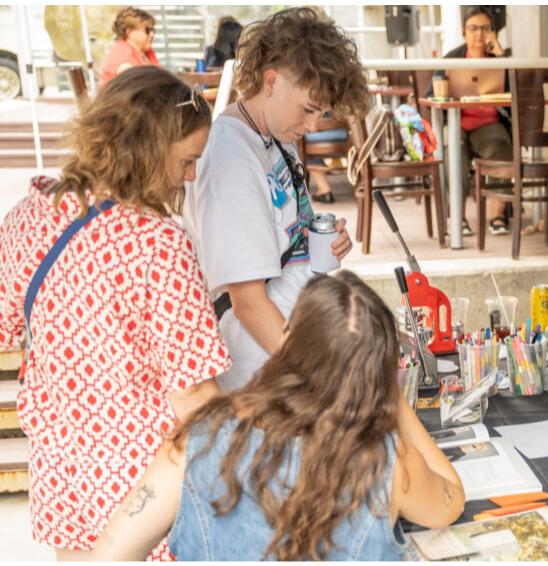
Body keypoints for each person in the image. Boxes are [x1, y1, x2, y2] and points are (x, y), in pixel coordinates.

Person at [0, 67, 229, 560]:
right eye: (187, 161)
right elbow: (195, 396)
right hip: (143, 489)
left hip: (63, 471)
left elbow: (6, 326)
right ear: (149, 148)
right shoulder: (158, 244)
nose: (190, 176)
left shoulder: (28, 215)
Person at [89, 272, 465, 560]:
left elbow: (109, 554)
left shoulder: (200, 437)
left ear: (289, 341)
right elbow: (452, 500)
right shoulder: (386, 461)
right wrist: (393, 397)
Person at [183, 7, 365, 392]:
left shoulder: (275, 137)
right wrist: (317, 379)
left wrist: (321, 244)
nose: (313, 126)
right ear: (271, 80)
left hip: (288, 342)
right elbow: (247, 302)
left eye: (324, 112)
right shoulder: (230, 159)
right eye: (309, 109)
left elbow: (283, 237)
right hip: (261, 363)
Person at [433, 7, 514, 236]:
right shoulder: (452, 59)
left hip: (488, 122)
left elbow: (517, 89)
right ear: (463, 32)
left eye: (486, 28)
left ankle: (497, 214)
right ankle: (457, 218)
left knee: (500, 144)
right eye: (474, 28)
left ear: (493, 32)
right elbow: (433, 92)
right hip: (457, 121)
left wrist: (500, 56)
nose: (480, 34)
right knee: (452, 149)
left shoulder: (500, 59)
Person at [98, 7, 160, 88]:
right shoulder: (124, 61)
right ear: (129, 32)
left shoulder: (146, 51)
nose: (152, 34)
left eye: (153, 30)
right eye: (147, 30)